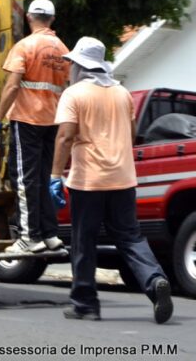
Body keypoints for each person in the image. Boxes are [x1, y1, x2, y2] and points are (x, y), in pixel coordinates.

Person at [50, 37, 173, 323]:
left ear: (80, 66)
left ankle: (85, 304)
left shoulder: (74, 94)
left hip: (89, 181)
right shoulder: (122, 94)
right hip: (123, 178)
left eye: (73, 65)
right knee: (130, 237)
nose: (70, 70)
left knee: (84, 240)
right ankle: (155, 282)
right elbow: (130, 136)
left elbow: (66, 136)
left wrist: (55, 175)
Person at [0, 0, 70, 253]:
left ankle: (28, 237)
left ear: (29, 17)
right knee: (45, 178)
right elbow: (65, 88)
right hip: (53, 121)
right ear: (52, 20)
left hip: (27, 120)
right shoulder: (63, 50)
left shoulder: (25, 46)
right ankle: (50, 235)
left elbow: (12, 86)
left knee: (24, 178)